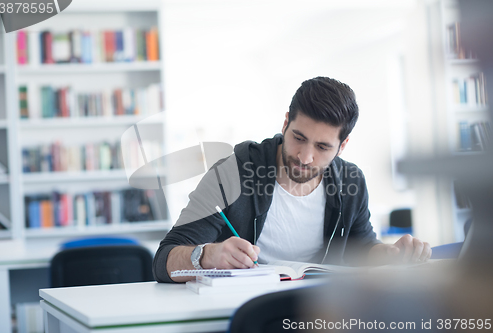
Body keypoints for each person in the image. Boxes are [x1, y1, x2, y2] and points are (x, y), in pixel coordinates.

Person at [153, 77, 432, 283]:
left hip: (322, 311)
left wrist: (391, 254)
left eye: (322, 147)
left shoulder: (351, 181)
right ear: (285, 123)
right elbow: (163, 260)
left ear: (342, 145)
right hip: (247, 310)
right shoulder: (232, 173)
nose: (305, 156)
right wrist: (206, 256)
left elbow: (363, 246)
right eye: (299, 138)